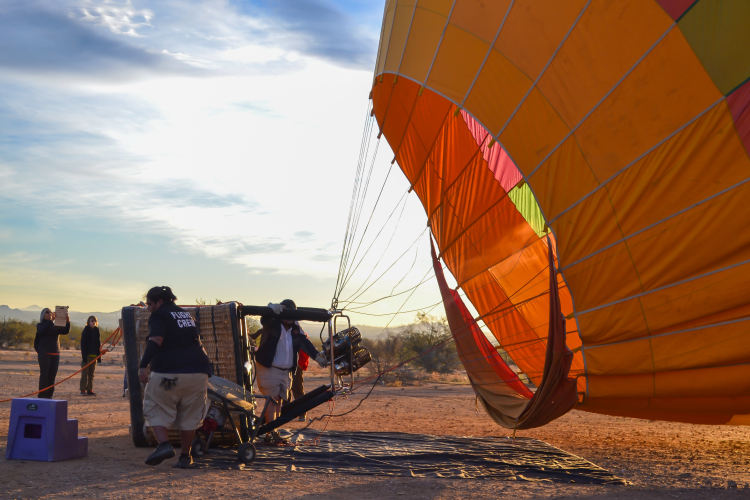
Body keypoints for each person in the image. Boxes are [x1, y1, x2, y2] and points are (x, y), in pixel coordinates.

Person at [138, 286, 211, 469]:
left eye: (150, 304)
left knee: (154, 404)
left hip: (169, 372)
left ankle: (164, 445)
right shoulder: (186, 315)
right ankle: (185, 457)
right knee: (190, 414)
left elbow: (156, 340)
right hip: (198, 372)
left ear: (160, 302)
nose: (148, 308)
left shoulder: (159, 315)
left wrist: (142, 365)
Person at [253, 299, 327, 443]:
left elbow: (306, 344)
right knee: (272, 400)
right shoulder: (272, 323)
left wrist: (318, 357)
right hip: (270, 368)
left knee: (279, 401)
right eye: (286, 312)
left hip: (286, 371)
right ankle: (272, 432)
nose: (289, 317)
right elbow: (264, 318)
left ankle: (271, 432)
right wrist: (270, 307)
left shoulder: (296, 328)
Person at [34, 308, 71, 399]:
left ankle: (49, 395)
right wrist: (51, 321)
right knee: (44, 374)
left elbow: (65, 331)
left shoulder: (55, 326)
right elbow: (41, 331)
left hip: (55, 353)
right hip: (44, 353)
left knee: (52, 376)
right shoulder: (40, 325)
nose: (49, 313)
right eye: (47, 312)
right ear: (42, 315)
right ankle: (42, 395)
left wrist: (67, 321)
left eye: (50, 312)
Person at [79, 316, 101, 396]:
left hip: (94, 355)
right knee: (85, 372)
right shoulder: (86, 330)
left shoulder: (97, 330)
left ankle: (90, 389)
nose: (93, 322)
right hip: (87, 355)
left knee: (91, 373)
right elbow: (83, 344)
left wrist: (99, 356)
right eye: (92, 321)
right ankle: (83, 389)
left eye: (94, 321)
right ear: (88, 322)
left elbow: (98, 343)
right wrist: (83, 356)